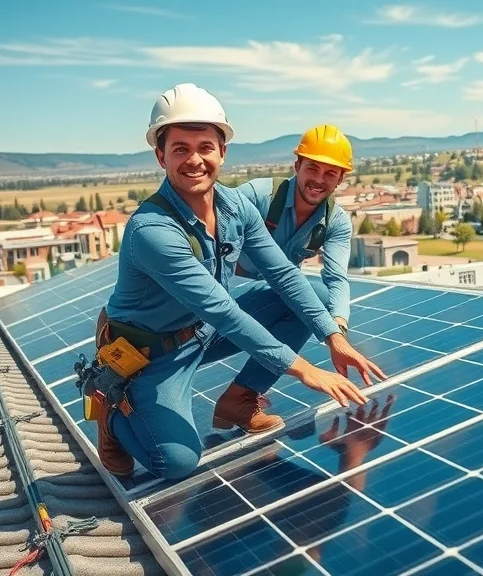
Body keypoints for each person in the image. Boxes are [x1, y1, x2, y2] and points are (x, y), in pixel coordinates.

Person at [89, 83, 386, 481]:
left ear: (222, 152)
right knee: (176, 463)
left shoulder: (235, 206)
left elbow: (282, 274)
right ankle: (111, 415)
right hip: (151, 355)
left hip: (202, 332)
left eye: (205, 147)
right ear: (160, 155)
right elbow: (223, 310)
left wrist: (333, 336)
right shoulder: (152, 229)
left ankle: (239, 402)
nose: (195, 160)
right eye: (181, 148)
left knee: (308, 293)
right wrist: (303, 369)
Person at [230, 124, 355, 335]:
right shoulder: (256, 197)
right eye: (312, 168)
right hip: (231, 291)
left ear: (340, 179)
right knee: (308, 296)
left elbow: (336, 279)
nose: (319, 179)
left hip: (275, 296)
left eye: (330, 173)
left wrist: (339, 326)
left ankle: (270, 367)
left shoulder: (336, 222)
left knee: (318, 300)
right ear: (297, 166)